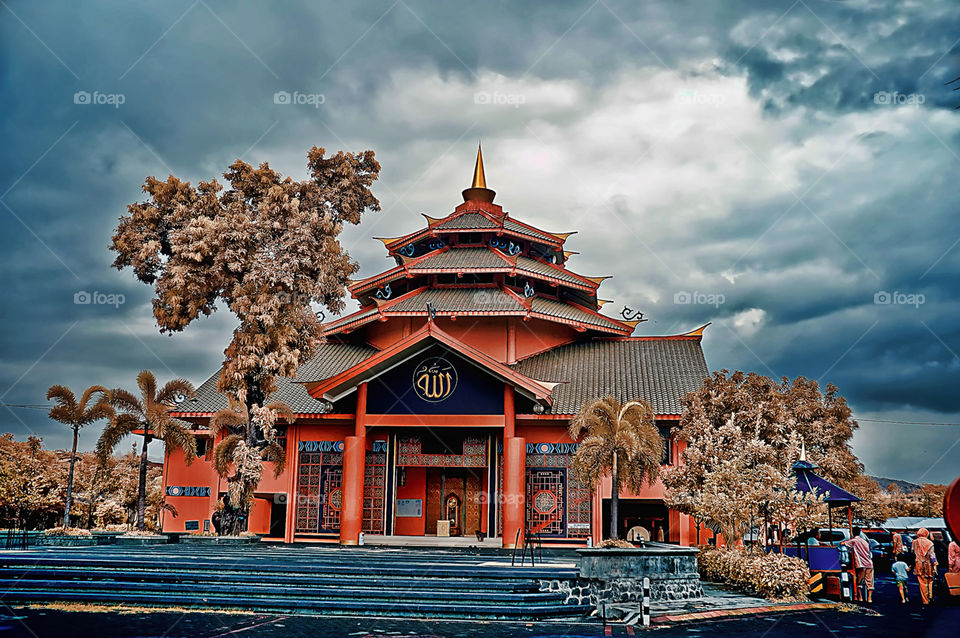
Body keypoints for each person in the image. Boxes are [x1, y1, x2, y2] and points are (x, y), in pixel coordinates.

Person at [842, 526, 874, 603]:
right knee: (869, 581)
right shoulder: (865, 541)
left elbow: (843, 543)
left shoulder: (854, 541)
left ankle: (860, 597)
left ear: (852, 532)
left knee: (859, 581)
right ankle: (869, 598)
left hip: (860, 563)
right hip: (869, 563)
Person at [913, 528, 938, 605]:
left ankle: (925, 600)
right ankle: (930, 596)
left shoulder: (914, 542)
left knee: (922, 582)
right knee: (930, 580)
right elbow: (932, 555)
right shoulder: (929, 543)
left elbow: (912, 553)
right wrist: (935, 565)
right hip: (928, 564)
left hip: (919, 564)